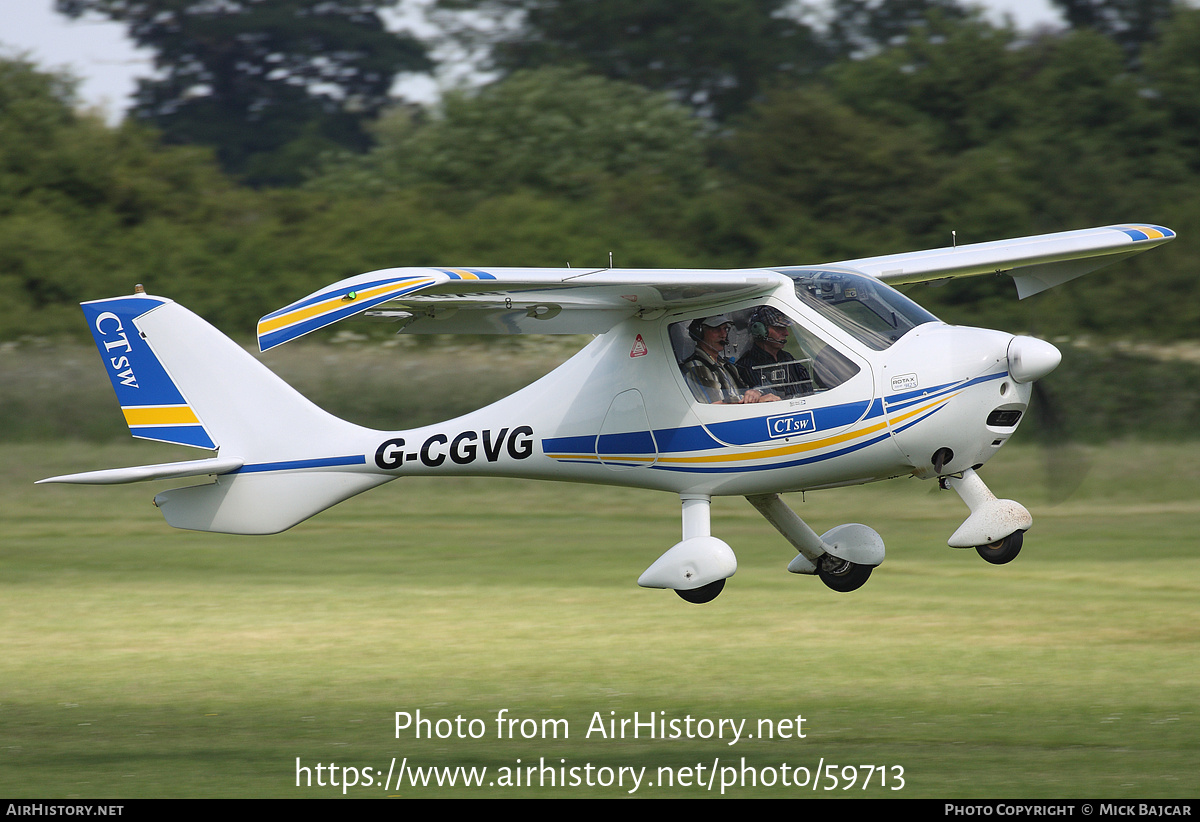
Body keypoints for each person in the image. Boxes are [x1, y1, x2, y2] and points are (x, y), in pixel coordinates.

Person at [681, 315, 779, 404]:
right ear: (699, 333)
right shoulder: (696, 366)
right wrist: (755, 400)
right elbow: (714, 405)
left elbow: (745, 390)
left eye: (725, 329)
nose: (723, 334)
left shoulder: (727, 366)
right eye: (716, 329)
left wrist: (756, 392)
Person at [735, 306, 812, 398]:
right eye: (779, 328)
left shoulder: (787, 358)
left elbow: (807, 387)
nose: (786, 333)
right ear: (760, 330)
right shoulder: (746, 366)